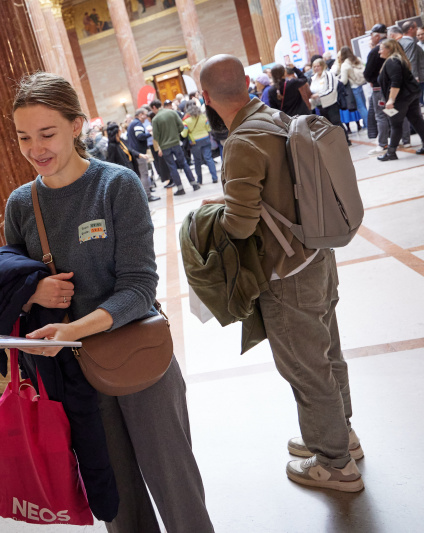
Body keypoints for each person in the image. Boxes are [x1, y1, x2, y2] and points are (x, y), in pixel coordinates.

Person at [6, 72, 214, 533]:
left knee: (176, 487)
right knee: (117, 499)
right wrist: (33, 293)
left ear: (76, 125)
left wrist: (74, 331)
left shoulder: (115, 185)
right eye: (23, 137)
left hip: (139, 361)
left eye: (47, 133)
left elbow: (139, 289)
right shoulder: (22, 205)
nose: (35, 148)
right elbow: (10, 285)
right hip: (76, 377)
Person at [199, 54, 365, 493]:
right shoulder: (275, 116)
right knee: (327, 351)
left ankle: (334, 463)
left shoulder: (241, 142)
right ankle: (341, 435)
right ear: (246, 84)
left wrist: (212, 212)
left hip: (286, 272)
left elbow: (239, 225)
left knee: (305, 368)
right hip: (319, 256)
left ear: (205, 96)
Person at [375, 38, 424, 161]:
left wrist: (391, 100)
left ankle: (391, 153)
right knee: (416, 120)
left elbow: (396, 82)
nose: (379, 52)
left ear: (389, 49)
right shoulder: (397, 60)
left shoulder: (392, 61)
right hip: (410, 95)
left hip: (401, 98)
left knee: (396, 125)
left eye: (381, 49)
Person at [150, 99, 200, 196]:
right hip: (176, 143)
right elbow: (181, 127)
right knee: (184, 163)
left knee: (172, 167)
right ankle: (194, 184)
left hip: (165, 146)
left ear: (154, 107)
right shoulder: (172, 113)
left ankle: (180, 188)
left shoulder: (155, 119)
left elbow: (155, 136)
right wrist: (174, 134)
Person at [309, 58, 350, 145]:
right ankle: (336, 142)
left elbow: (331, 89)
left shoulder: (328, 75)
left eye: (318, 66)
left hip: (331, 103)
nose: (316, 68)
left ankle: (346, 140)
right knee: (327, 125)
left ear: (323, 66)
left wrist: (318, 95)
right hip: (320, 105)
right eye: (314, 66)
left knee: (336, 122)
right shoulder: (313, 78)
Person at [126, 107, 159, 201]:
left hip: (136, 152)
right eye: (145, 114)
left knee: (143, 174)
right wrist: (150, 134)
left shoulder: (133, 123)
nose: (146, 116)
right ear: (140, 115)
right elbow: (140, 136)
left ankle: (146, 192)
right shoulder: (137, 123)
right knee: (144, 174)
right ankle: (147, 196)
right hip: (139, 153)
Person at [181, 101, 218, 184]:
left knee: (197, 161)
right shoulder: (204, 117)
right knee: (209, 158)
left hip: (194, 142)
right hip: (205, 139)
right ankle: (215, 177)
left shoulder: (186, 121)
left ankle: (199, 180)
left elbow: (184, 134)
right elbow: (208, 129)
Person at [337, 46, 369, 129]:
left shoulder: (345, 65)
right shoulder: (357, 59)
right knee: (364, 106)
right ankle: (367, 123)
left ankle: (369, 125)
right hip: (361, 85)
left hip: (354, 87)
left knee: (360, 107)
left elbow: (343, 81)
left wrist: (337, 79)